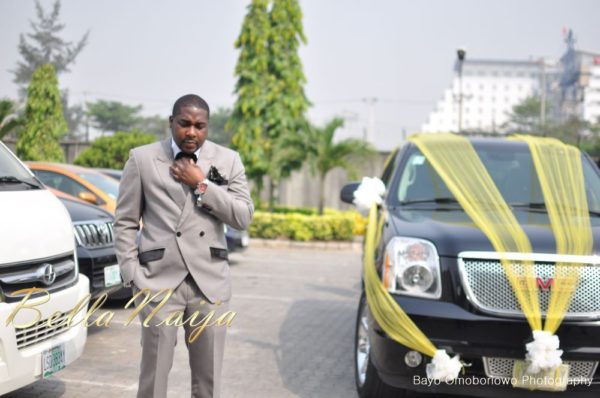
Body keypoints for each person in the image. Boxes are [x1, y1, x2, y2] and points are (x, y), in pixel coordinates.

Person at [114, 94, 253, 398]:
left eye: (200, 126)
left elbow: (243, 217)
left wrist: (202, 184)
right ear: (171, 122)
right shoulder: (142, 159)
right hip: (157, 283)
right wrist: (132, 275)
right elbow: (125, 222)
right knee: (153, 380)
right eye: (185, 124)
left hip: (209, 283)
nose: (192, 132)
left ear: (207, 127)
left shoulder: (228, 160)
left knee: (209, 381)